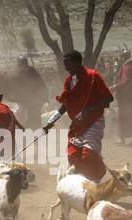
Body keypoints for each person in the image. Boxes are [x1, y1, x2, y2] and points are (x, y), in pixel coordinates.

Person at [45, 50, 113, 182]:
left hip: (94, 121)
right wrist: (50, 122)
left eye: (68, 64)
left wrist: (88, 110)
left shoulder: (93, 77)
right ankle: (84, 182)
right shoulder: (69, 81)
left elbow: (108, 98)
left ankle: (96, 178)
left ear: (77, 63)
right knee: (73, 154)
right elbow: (65, 105)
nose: (66, 68)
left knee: (88, 154)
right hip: (78, 124)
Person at [0, 56, 48, 130]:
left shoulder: (15, 72)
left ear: (18, 63)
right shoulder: (32, 71)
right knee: (34, 120)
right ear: (26, 62)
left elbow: (9, 87)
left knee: (22, 121)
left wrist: (11, 97)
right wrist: (45, 99)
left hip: (22, 102)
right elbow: (41, 85)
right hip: (34, 102)